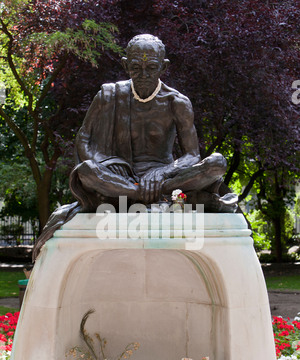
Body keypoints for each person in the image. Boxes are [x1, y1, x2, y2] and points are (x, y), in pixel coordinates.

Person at [32, 34, 237, 261]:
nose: (143, 75)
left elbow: (191, 155)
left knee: (217, 164)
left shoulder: (176, 102)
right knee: (86, 171)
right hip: (119, 178)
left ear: (163, 67)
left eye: (151, 67)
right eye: (135, 68)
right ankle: (142, 195)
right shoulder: (108, 96)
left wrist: (161, 173)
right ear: (124, 64)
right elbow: (83, 140)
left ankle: (137, 196)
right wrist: (108, 164)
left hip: (163, 180)